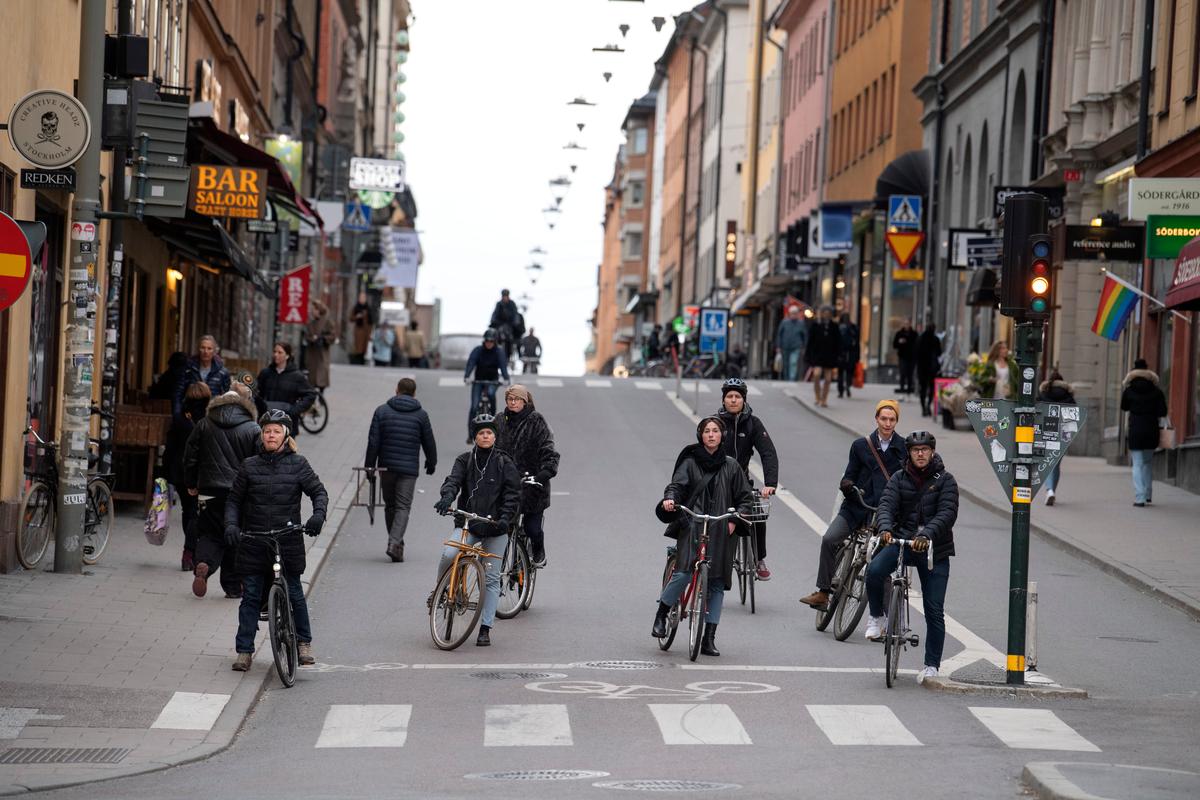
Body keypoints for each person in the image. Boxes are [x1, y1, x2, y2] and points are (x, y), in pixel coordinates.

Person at [225, 409, 329, 671]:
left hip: (287, 539)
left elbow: (318, 492)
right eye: (267, 431)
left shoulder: (298, 464)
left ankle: (304, 642)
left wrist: (318, 515)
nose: (271, 435)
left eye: (276, 431)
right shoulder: (249, 466)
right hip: (255, 539)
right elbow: (234, 501)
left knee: (294, 591)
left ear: (285, 435)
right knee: (250, 596)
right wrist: (230, 525)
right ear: (262, 435)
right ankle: (244, 652)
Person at [653, 417, 755, 657]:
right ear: (701, 435)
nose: (711, 434)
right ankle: (661, 614)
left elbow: (745, 499)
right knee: (684, 573)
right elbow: (676, 486)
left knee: (717, 583)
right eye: (707, 431)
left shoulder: (731, 466)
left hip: (720, 527)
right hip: (692, 523)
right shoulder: (690, 462)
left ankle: (709, 637)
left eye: (716, 431)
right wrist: (671, 499)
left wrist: (734, 519)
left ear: (722, 436)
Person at [864, 431, 958, 685]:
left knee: (934, 610)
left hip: (932, 550)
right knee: (874, 571)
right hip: (902, 541)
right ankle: (878, 616)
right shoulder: (899, 477)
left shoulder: (946, 481)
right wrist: (884, 529)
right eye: (916, 450)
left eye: (925, 449)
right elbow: (886, 504)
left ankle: (931, 665)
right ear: (909, 452)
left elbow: (947, 513)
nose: (920, 454)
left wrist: (927, 534)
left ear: (932, 451)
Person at [800, 400, 906, 611]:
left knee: (880, 563)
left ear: (896, 421)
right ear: (876, 419)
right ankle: (823, 592)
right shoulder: (860, 445)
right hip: (856, 507)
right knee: (830, 539)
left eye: (891, 419)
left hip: (884, 514)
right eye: (883, 418)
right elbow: (849, 475)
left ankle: (886, 620)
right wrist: (848, 486)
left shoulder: (904, 448)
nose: (887, 423)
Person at [433, 413, 521, 647]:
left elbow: (513, 495)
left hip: (495, 528)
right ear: (475, 437)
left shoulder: (504, 462)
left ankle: (485, 628)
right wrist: (446, 498)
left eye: (489, 433)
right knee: (449, 554)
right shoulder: (465, 460)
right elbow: (453, 481)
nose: (485, 436)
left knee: (491, 579)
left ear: (495, 436)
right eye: (481, 433)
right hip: (468, 523)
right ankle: (441, 591)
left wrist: (505, 519)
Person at [184, 384, 260, 598]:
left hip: (208, 491)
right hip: (239, 494)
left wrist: (191, 483)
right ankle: (233, 586)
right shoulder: (252, 429)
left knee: (210, 533)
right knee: (235, 536)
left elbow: (190, 457)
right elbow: (259, 463)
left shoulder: (204, 424)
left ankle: (203, 564)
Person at [365, 377, 437, 562]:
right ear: (414, 393)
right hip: (408, 470)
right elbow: (428, 441)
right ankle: (394, 542)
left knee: (391, 506)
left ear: (396, 390)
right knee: (403, 506)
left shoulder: (381, 411)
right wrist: (431, 462)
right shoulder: (421, 415)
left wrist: (369, 466)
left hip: (386, 467)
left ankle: (395, 544)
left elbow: (373, 441)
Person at [714, 378, 778, 580]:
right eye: (729, 397)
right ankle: (709, 562)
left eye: (737, 397)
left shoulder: (753, 423)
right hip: (717, 482)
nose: (733, 400)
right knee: (710, 518)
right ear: (723, 400)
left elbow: (768, 453)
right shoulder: (715, 423)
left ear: (744, 400)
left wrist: (770, 484)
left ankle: (759, 559)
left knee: (757, 513)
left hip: (742, 484)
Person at [494, 385, 560, 566]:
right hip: (506, 486)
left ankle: (538, 550)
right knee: (501, 531)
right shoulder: (499, 420)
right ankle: (496, 573)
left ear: (525, 401)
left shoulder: (536, 421)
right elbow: (489, 447)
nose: (513, 402)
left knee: (532, 529)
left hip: (532, 485)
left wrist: (545, 472)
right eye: (509, 399)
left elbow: (548, 449)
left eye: (517, 399)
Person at [170, 383, 213, 571]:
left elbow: (170, 446)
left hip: (180, 472)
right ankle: (190, 551)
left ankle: (189, 553)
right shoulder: (209, 419)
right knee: (197, 513)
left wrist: (167, 474)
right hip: (201, 473)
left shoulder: (180, 418)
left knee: (187, 511)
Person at [1120, 358, 1168, 507]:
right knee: (1147, 462)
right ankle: (1148, 494)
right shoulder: (1156, 391)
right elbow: (1163, 411)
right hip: (1151, 429)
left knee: (1138, 464)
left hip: (1135, 429)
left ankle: (1140, 497)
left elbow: (1124, 407)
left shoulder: (1129, 390)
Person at [255, 341, 318, 437]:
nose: (276, 355)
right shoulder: (265, 373)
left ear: (287, 355)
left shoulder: (297, 376)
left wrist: (294, 410)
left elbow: (310, 395)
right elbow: (256, 393)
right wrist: (261, 407)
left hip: (288, 425)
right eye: (274, 352)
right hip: (267, 423)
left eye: (280, 352)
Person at [1036, 371, 1075, 506]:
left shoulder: (1043, 393)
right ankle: (1051, 490)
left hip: (1047, 429)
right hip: (1063, 431)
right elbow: (1074, 416)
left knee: (1047, 460)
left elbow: (1037, 412)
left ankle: (1049, 490)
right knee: (1056, 462)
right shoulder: (1069, 395)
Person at [464, 329, 510, 442]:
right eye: (487, 341)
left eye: (491, 341)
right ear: (484, 341)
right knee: (474, 406)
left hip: (493, 381)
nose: (489, 343)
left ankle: (492, 418)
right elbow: (471, 362)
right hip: (478, 381)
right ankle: (470, 434)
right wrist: (467, 375)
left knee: (490, 393)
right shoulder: (478, 350)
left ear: (495, 341)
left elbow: (503, 366)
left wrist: (506, 378)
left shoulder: (499, 352)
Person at [805, 306, 839, 407]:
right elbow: (810, 341)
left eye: (828, 313)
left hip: (829, 356)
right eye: (825, 312)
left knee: (828, 379)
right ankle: (817, 396)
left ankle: (824, 399)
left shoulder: (834, 326)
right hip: (817, 356)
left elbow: (838, 342)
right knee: (816, 375)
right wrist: (809, 355)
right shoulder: (816, 325)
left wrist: (837, 355)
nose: (826, 314)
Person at [303, 300, 336, 391]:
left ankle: (321, 395)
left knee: (322, 376)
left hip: (322, 353)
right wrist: (312, 339)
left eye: (313, 309)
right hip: (312, 352)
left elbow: (332, 336)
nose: (311, 311)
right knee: (312, 377)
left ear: (318, 310)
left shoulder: (327, 321)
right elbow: (307, 336)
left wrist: (323, 338)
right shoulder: (310, 323)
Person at [916, 322, 943, 417]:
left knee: (922, 388)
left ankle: (923, 408)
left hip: (922, 368)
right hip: (932, 368)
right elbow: (939, 354)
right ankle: (928, 406)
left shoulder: (920, 339)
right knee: (932, 388)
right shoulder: (935, 339)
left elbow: (916, 353)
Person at [775, 306, 807, 381]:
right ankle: (786, 378)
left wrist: (804, 346)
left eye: (795, 313)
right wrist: (778, 346)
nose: (794, 315)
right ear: (789, 314)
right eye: (792, 313)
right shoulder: (784, 322)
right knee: (785, 363)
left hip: (796, 346)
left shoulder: (801, 323)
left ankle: (791, 378)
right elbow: (779, 334)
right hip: (785, 346)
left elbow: (805, 336)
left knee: (793, 362)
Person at [490, 289, 523, 355]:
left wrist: (516, 323)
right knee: (494, 335)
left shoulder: (512, 304)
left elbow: (515, 314)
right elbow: (495, 313)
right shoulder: (499, 304)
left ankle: (513, 353)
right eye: (503, 296)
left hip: (510, 325)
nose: (505, 297)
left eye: (506, 296)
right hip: (500, 324)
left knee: (514, 338)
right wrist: (493, 321)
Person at [836, 313, 860, 399]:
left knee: (841, 372)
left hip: (842, 353)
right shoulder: (853, 327)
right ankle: (847, 386)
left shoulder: (839, 327)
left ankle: (841, 390)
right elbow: (857, 343)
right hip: (850, 353)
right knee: (848, 371)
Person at [893, 320, 918, 396]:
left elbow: (917, 345)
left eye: (908, 324)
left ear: (910, 324)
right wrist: (899, 342)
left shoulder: (914, 334)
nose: (906, 325)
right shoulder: (899, 333)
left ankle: (909, 391)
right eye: (905, 324)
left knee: (910, 374)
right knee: (902, 373)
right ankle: (902, 389)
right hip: (902, 356)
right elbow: (894, 345)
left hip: (911, 357)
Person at [349, 292, 373, 365]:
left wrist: (370, 333)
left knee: (364, 348)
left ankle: (362, 361)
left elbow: (371, 320)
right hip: (359, 330)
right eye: (361, 297)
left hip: (366, 331)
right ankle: (358, 361)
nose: (362, 299)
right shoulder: (356, 308)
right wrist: (357, 316)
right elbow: (351, 318)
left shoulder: (368, 308)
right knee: (358, 347)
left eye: (363, 297)